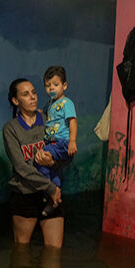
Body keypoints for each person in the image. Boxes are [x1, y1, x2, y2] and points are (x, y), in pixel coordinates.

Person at [3, 78, 64, 248]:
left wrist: (53, 161)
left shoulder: (48, 120)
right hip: (25, 194)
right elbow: (21, 168)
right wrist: (51, 188)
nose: (32, 97)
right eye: (25, 94)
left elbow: (65, 151)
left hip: (51, 196)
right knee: (21, 255)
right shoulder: (11, 128)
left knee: (54, 254)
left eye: (34, 92)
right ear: (16, 101)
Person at [38, 65, 78, 217]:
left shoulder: (67, 103)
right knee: (51, 168)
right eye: (47, 86)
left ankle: (51, 191)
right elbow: (43, 113)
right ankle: (54, 193)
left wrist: (72, 141)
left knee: (41, 159)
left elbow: (73, 121)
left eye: (55, 84)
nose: (51, 88)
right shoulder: (50, 104)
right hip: (51, 142)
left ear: (64, 85)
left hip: (61, 142)